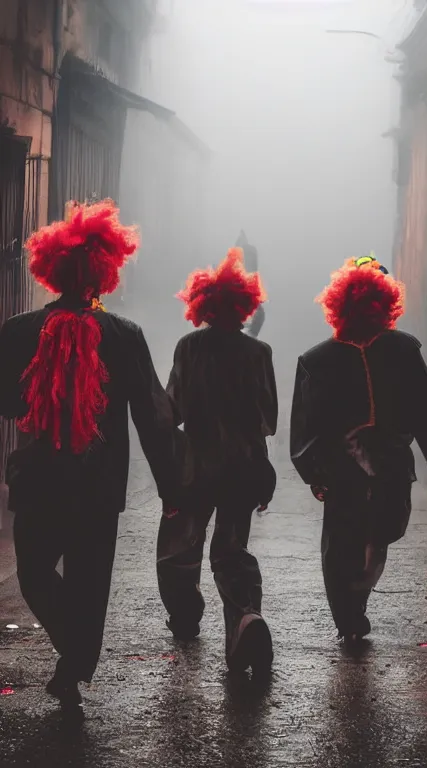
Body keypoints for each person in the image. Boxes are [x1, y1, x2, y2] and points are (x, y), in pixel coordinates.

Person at [0, 200, 181, 715]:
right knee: (89, 582)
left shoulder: (19, 330)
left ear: (51, 269)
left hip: (38, 481)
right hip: (98, 487)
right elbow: (154, 417)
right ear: (106, 271)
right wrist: (170, 489)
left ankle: (72, 659)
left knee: (33, 573)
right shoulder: (124, 336)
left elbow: (5, 402)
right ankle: (76, 664)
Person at [290, 254, 427, 641]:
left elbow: (426, 410)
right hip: (341, 469)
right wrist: (313, 473)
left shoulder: (402, 350)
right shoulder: (318, 360)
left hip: (391, 464)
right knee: (341, 544)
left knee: (381, 534)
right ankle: (348, 617)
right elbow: (306, 423)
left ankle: (356, 599)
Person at [157, 247, 277, 676]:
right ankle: (246, 616)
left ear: (202, 305)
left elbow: (173, 410)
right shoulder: (258, 354)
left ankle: (186, 617)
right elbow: (269, 419)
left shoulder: (188, 347)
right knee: (231, 550)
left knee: (178, 549)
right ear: (244, 307)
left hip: (195, 464)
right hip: (244, 466)